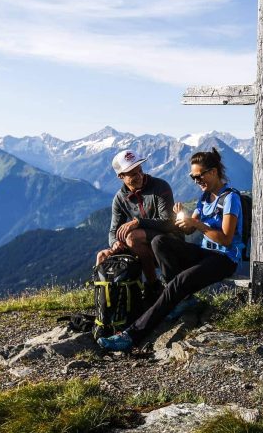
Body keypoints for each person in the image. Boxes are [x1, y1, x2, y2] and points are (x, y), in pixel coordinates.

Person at [98, 147, 243, 351]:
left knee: (178, 283)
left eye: (199, 176)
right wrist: (184, 219)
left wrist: (198, 225)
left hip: (224, 259)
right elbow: (187, 227)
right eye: (193, 177)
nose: (196, 181)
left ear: (213, 172)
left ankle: (132, 335)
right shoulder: (205, 198)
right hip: (205, 252)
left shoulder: (230, 198)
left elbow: (226, 239)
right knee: (159, 242)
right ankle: (179, 297)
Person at [95, 149, 177, 294]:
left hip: (167, 241)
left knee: (133, 237)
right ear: (121, 176)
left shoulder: (160, 187)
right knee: (102, 255)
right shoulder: (120, 198)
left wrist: (138, 222)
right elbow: (113, 231)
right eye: (133, 174)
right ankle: (106, 300)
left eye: (140, 170)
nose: (139, 176)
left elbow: (169, 223)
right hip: (142, 245)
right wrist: (115, 243)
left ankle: (153, 286)